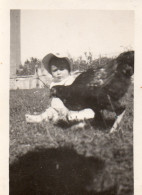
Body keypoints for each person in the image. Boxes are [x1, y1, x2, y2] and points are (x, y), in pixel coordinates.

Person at [25, 53, 95, 124]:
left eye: (62, 69)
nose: (58, 73)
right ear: (51, 72)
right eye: (55, 70)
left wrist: (66, 109)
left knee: (87, 112)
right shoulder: (53, 83)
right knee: (49, 112)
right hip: (57, 109)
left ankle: (73, 117)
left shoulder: (71, 81)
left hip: (72, 109)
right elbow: (53, 99)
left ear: (69, 70)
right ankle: (39, 118)